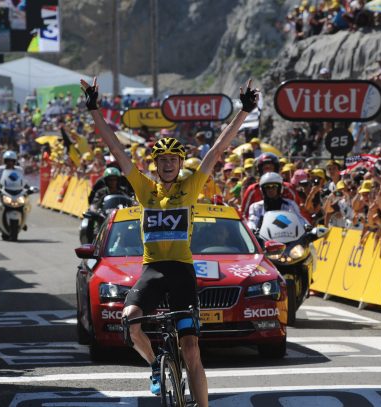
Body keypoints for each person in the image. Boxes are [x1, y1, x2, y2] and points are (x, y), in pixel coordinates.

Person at [81, 76, 258, 407]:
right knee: (131, 320)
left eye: (173, 161)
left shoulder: (190, 187)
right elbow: (116, 149)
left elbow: (218, 147)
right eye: (162, 160)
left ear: (179, 164)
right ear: (156, 164)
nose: (167, 164)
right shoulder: (145, 188)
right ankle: (153, 366)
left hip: (181, 271)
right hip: (152, 270)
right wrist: (93, 108)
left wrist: (244, 111)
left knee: (191, 348)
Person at [0, 150, 23, 227]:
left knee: (25, 198)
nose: (10, 162)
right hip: (3, 190)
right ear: (4, 161)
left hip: (16, 190)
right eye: (7, 160)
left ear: (14, 161)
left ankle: (23, 219)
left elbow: (22, 180)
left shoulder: (19, 170)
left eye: (12, 161)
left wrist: (26, 186)